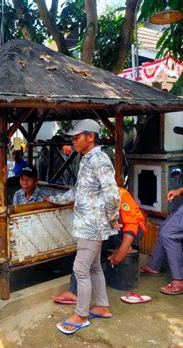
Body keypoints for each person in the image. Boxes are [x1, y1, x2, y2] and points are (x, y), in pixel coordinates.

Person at [44, 119, 120, 335]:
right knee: (94, 267)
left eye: (77, 137)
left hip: (93, 227)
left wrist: (113, 219)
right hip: (88, 225)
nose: (73, 140)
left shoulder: (100, 160)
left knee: (80, 269)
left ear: (90, 137)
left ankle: (81, 314)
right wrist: (55, 199)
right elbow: (78, 191)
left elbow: (113, 195)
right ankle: (103, 307)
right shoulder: (87, 159)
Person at [53, 186, 146, 305]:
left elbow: (131, 226)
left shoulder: (121, 194)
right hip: (111, 233)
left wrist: (121, 253)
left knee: (116, 221)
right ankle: (74, 292)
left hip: (135, 230)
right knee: (86, 248)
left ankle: (125, 247)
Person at [140, 122, 183, 295]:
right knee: (164, 227)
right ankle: (154, 266)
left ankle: (181, 280)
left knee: (169, 233)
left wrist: (180, 190)